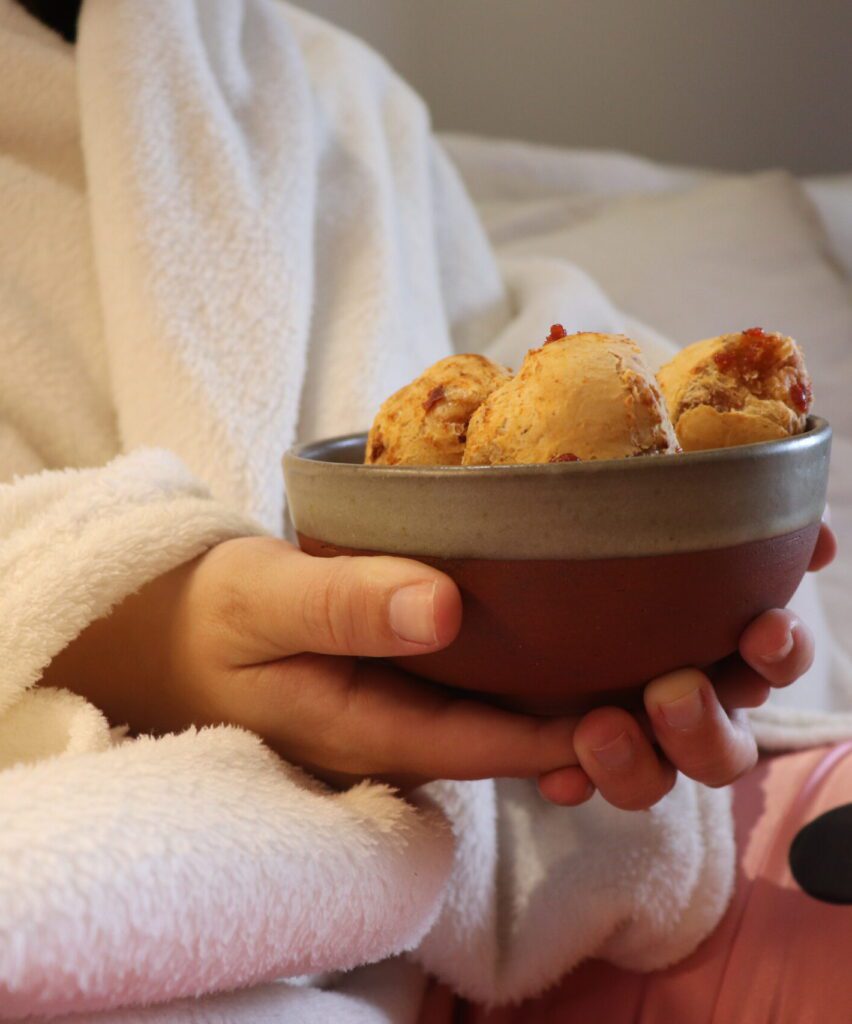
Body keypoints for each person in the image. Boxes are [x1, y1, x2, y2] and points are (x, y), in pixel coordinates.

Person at [0, 1, 848, 1021]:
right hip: (143, 853)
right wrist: (143, 623)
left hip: (547, 837)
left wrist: (690, 574)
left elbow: (503, 350)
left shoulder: (339, 95)